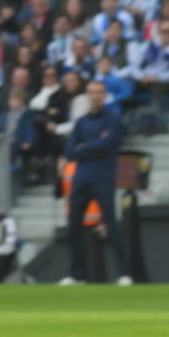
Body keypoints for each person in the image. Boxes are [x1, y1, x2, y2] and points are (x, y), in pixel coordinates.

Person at [59, 80, 131, 285]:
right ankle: (76, 274)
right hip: (81, 178)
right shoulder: (81, 122)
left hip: (103, 176)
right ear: (87, 95)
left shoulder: (113, 119)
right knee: (74, 225)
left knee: (111, 224)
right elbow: (70, 150)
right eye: (92, 92)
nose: (95, 96)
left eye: (99, 92)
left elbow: (107, 144)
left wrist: (84, 147)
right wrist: (91, 146)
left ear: (104, 95)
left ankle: (123, 273)